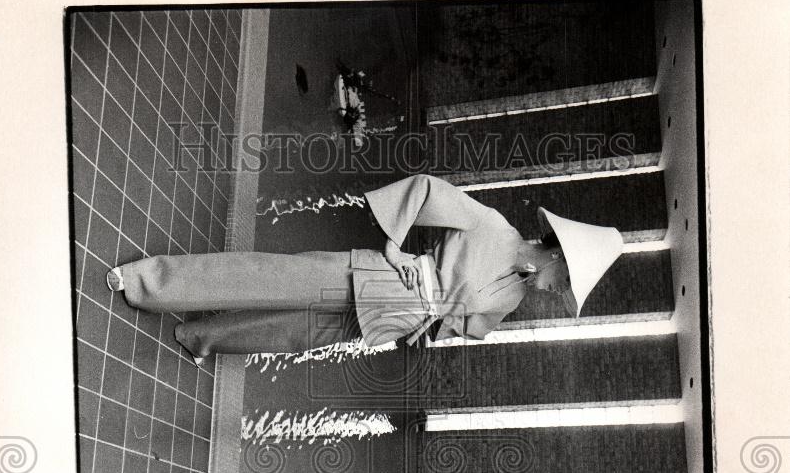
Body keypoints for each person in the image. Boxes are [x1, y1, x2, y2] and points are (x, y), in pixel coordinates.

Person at [106, 174, 624, 361]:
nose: (557, 292)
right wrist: (396, 245)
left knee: (286, 334)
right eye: (565, 283)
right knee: (263, 278)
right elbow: (425, 190)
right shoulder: (491, 227)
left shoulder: (512, 299)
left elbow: (459, 326)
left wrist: (431, 330)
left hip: (386, 321)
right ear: (557, 252)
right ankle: (144, 281)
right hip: (375, 278)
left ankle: (198, 336)